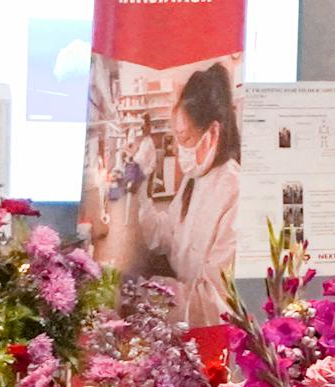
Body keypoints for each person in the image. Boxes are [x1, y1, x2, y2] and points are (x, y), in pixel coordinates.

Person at [97, 63, 243, 328]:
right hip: (184, 318)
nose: (177, 149)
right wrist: (141, 190)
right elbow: (163, 236)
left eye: (184, 138)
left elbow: (212, 305)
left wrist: (145, 293)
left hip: (208, 329)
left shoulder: (234, 191)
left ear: (212, 133)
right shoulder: (194, 178)